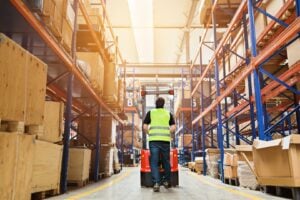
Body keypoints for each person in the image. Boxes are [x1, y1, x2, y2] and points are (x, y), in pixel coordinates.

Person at [143, 97, 176, 192]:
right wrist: (167, 132)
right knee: (166, 160)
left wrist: (150, 133)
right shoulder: (168, 113)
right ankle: (166, 181)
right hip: (165, 140)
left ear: (155, 104)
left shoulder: (151, 113)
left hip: (154, 141)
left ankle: (156, 183)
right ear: (164, 104)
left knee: (154, 161)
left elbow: (144, 126)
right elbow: (173, 127)